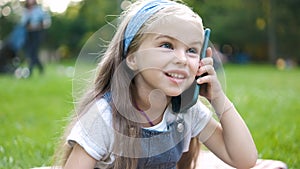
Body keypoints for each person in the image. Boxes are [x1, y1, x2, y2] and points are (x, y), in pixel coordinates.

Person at [53, 0, 257, 169]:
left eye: (192, 50)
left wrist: (218, 98)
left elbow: (244, 159)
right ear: (132, 58)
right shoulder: (104, 117)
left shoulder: (186, 112)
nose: (182, 59)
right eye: (167, 45)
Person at [20, 0, 51, 76]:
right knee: (31, 53)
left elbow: (46, 21)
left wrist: (39, 26)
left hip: (37, 33)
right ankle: (41, 68)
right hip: (28, 34)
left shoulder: (39, 10)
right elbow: (23, 23)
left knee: (33, 52)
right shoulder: (25, 11)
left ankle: (30, 71)